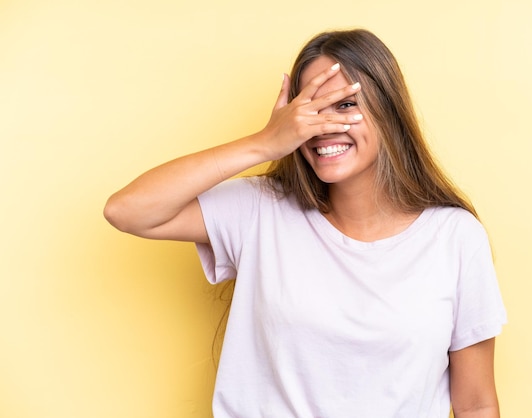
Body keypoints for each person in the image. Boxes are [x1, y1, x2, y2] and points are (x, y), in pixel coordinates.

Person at [104, 28, 507, 418]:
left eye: (345, 104)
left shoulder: (454, 237)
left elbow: (476, 406)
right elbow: (127, 210)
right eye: (309, 108)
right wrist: (263, 142)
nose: (322, 126)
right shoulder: (260, 210)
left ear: (389, 111)